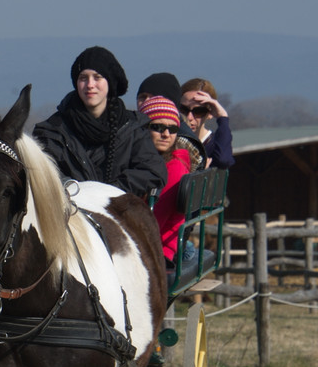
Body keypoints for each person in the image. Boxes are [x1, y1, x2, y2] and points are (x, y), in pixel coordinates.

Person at [33, 46, 166, 199]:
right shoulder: (52, 132)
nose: (90, 85)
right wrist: (75, 191)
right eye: (83, 78)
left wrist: (109, 193)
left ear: (110, 82)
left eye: (97, 77)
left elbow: (152, 171)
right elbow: (44, 174)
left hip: (120, 214)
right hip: (70, 213)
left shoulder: (133, 128)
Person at [139, 95, 193, 265]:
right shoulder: (155, 162)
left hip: (158, 250)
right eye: (158, 127)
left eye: (172, 129)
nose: (166, 134)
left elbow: (154, 223)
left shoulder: (174, 168)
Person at [136, 72, 207, 172]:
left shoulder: (182, 142)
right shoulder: (133, 131)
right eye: (142, 97)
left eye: (153, 97)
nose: (147, 101)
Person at [180, 78, 235, 169]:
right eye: (184, 109)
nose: (189, 117)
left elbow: (223, 160)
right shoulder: (170, 139)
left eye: (199, 111)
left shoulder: (216, 144)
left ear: (210, 114)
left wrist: (223, 117)